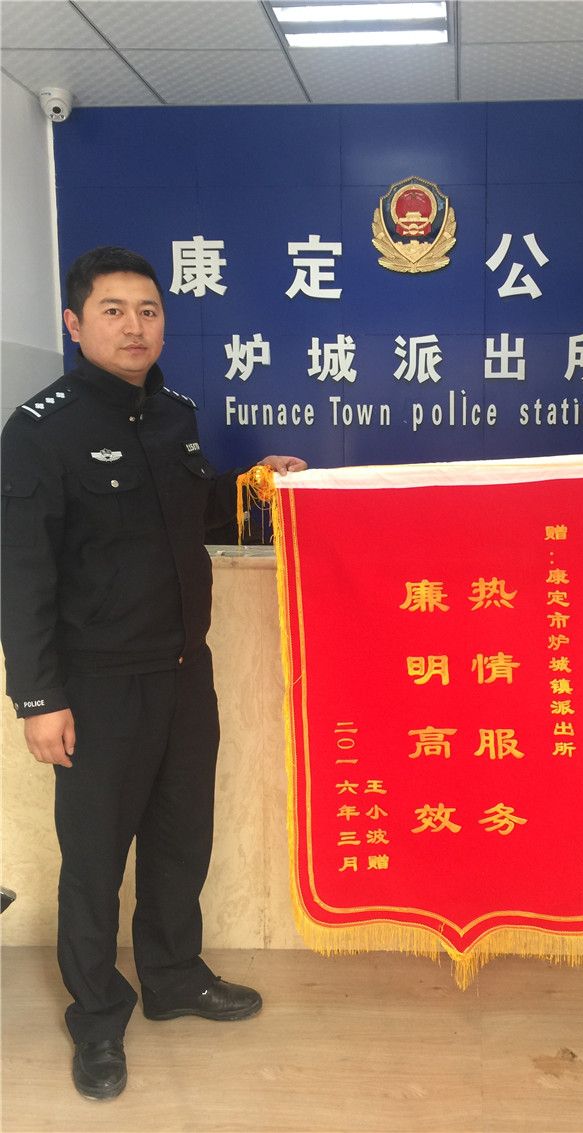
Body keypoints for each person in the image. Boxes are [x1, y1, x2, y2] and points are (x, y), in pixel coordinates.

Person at [1, 246, 307, 1100]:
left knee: (180, 839)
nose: (134, 326)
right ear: (75, 323)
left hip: (183, 674)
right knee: (95, 856)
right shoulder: (40, 430)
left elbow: (189, 510)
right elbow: (21, 574)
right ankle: (97, 1014)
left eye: (148, 310)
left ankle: (172, 977)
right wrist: (38, 697)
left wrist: (252, 487)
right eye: (113, 310)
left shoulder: (175, 416)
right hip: (97, 685)